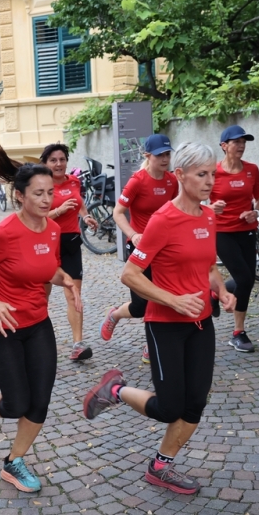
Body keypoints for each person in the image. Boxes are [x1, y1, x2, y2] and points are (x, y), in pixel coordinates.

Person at [82, 142, 236, 494]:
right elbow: (130, 275)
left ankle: (159, 467)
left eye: (213, 173)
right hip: (165, 325)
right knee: (169, 407)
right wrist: (173, 300)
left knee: (195, 402)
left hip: (202, 324)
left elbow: (209, 263)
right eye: (202, 174)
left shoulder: (209, 216)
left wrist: (222, 291)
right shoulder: (163, 220)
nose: (211, 180)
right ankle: (115, 390)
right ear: (179, 175)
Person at [0, 145, 82, 493]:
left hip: (38, 323)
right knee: (16, 404)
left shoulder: (53, 229)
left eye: (50, 193)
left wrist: (65, 279)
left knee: (40, 401)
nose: (46, 200)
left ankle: (14, 461)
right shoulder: (3, 233)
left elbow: (45, 268)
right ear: (20, 195)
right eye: (38, 194)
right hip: (3, 326)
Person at [99, 134, 178, 363]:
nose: (165, 159)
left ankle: (150, 345)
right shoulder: (137, 181)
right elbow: (118, 213)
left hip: (164, 248)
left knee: (163, 296)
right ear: (147, 156)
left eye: (167, 154)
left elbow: (175, 211)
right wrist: (133, 235)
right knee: (141, 305)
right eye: (159, 155)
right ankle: (114, 314)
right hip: (141, 249)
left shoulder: (172, 181)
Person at [208, 125, 259, 353]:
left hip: (247, 230)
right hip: (222, 232)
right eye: (236, 142)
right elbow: (196, 201)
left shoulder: (252, 170)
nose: (241, 146)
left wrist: (255, 212)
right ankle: (237, 331)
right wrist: (211, 208)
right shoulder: (212, 172)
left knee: (246, 279)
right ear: (224, 146)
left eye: (244, 142)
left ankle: (215, 294)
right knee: (245, 278)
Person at [41, 142, 98, 361]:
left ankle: (78, 344)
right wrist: (58, 211)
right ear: (46, 163)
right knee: (41, 296)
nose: (58, 164)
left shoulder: (74, 180)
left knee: (73, 293)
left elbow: (79, 203)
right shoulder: (41, 185)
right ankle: (36, 340)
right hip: (47, 243)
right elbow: (35, 216)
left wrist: (86, 216)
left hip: (71, 242)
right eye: (53, 160)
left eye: (62, 159)